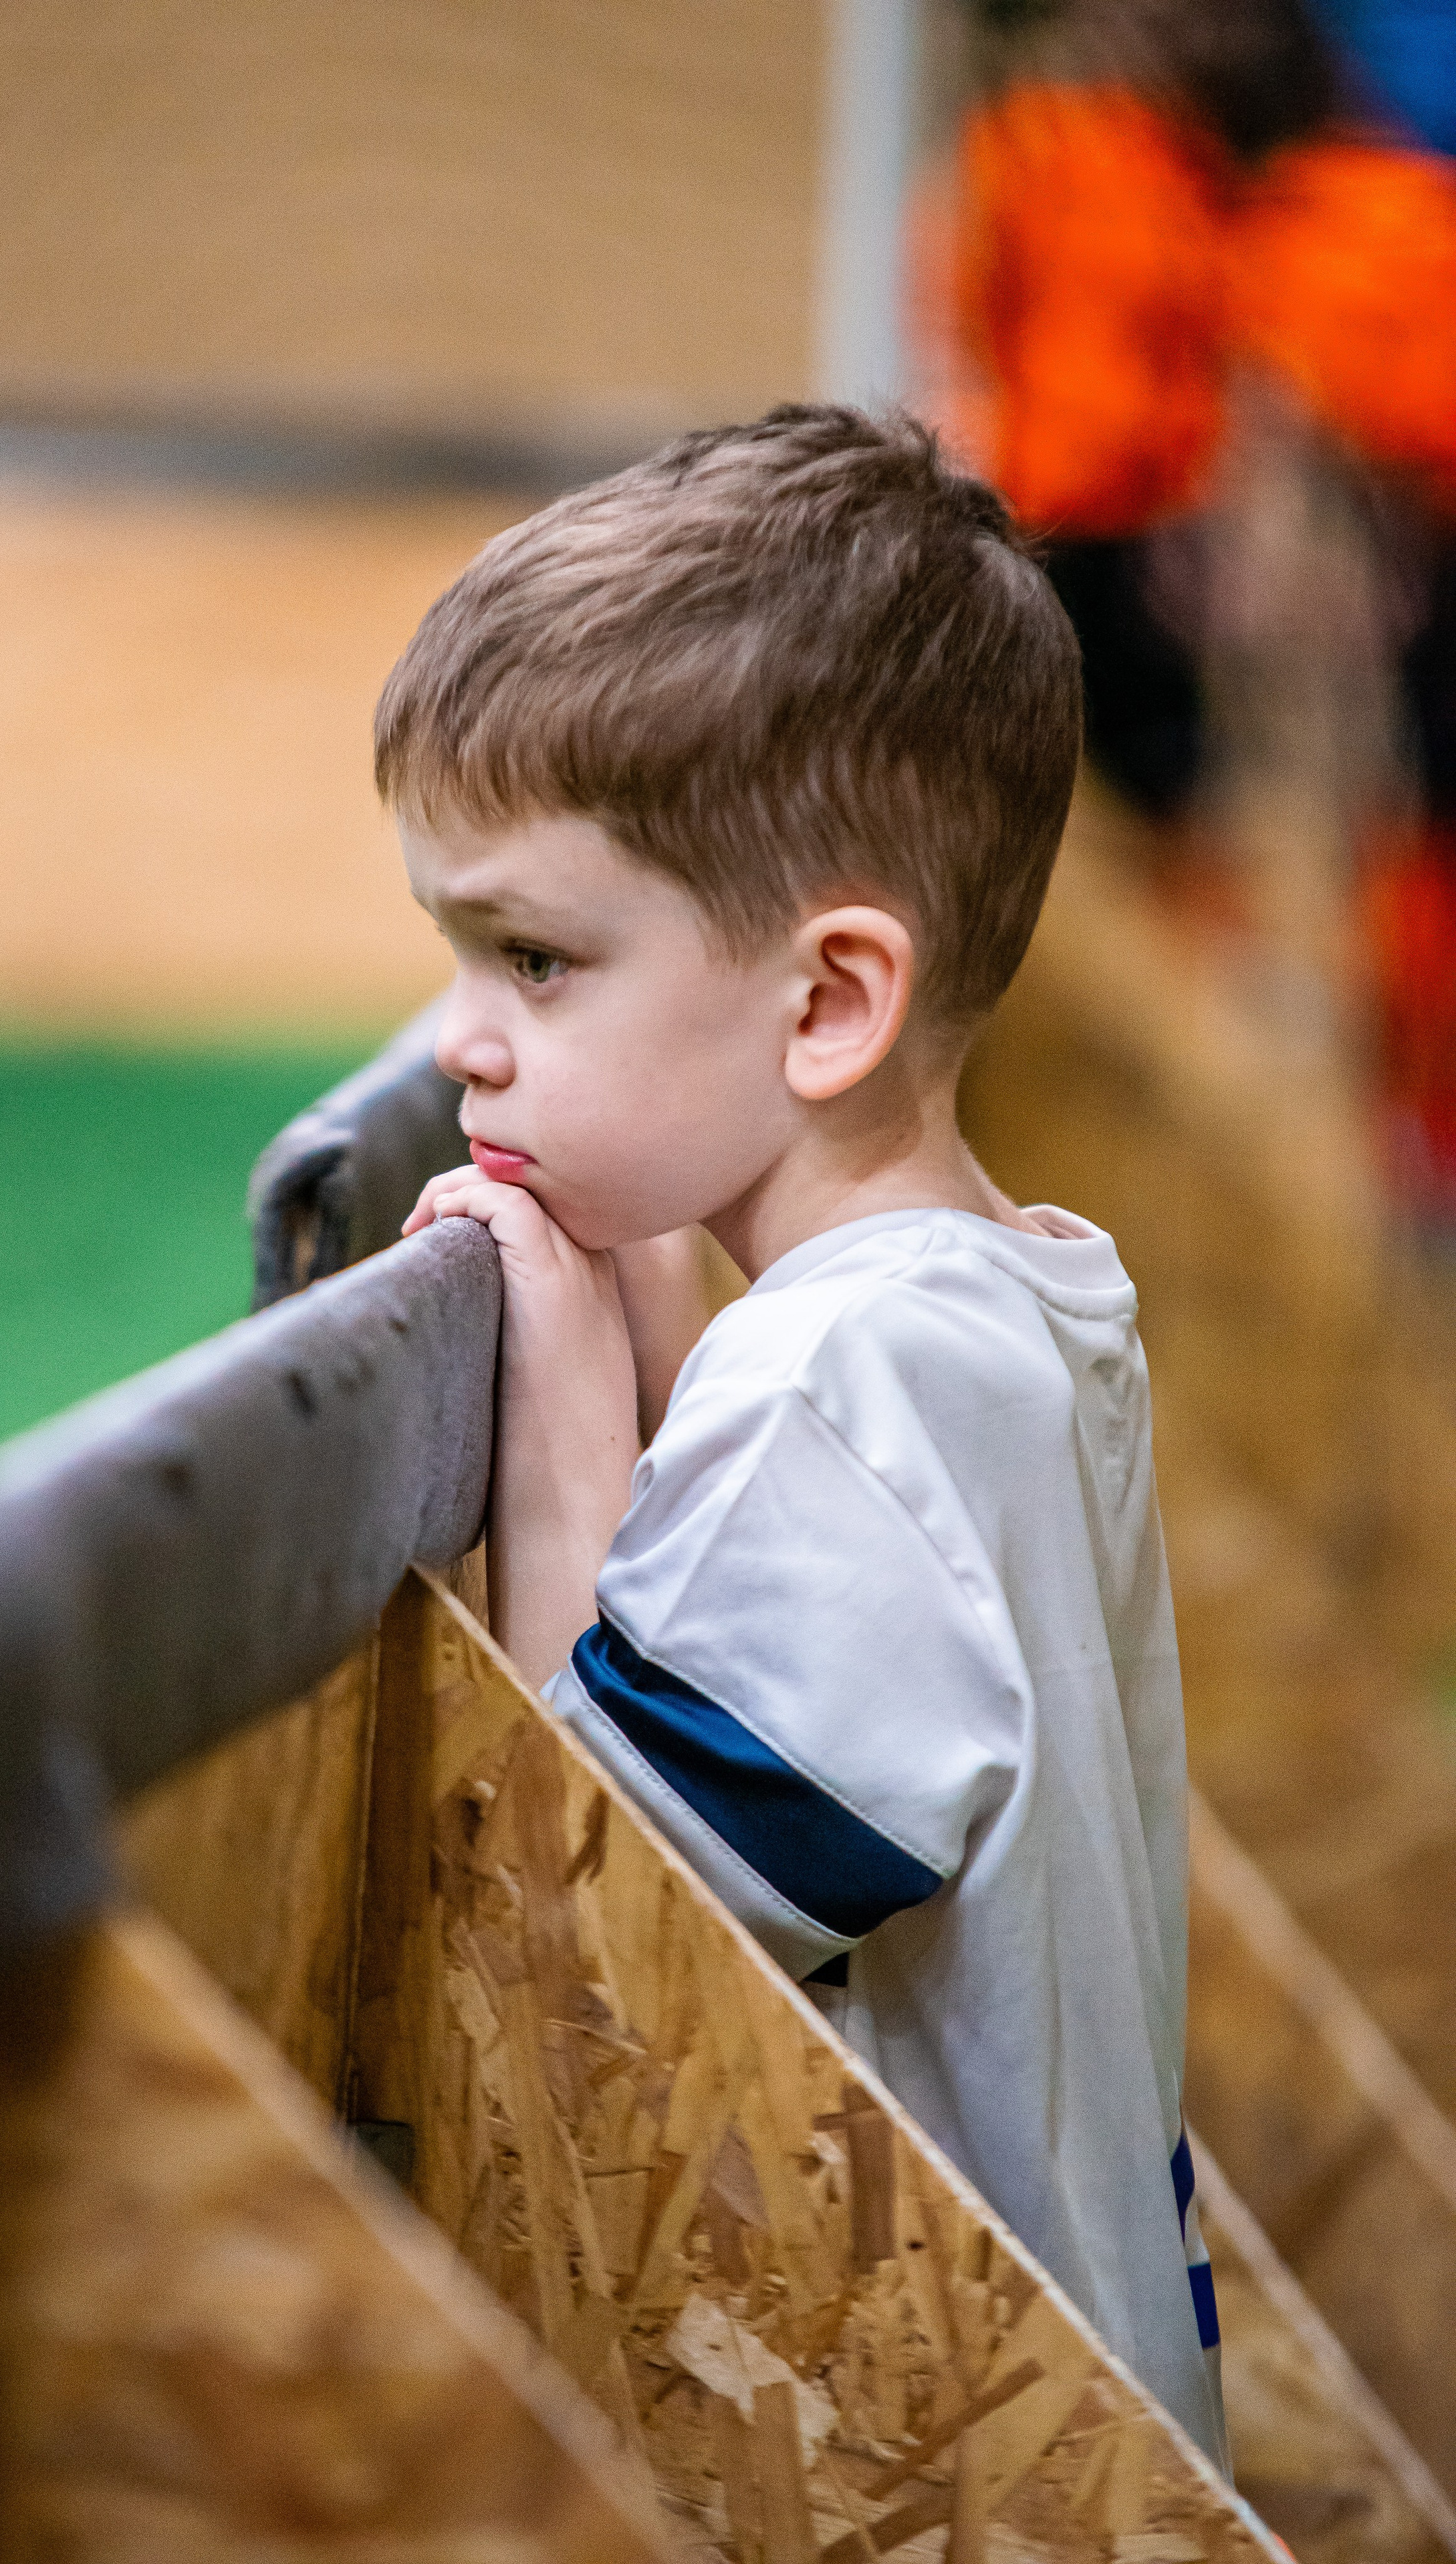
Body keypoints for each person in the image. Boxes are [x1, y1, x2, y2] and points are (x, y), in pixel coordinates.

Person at [378, 405, 1228, 2470]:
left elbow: (640, 1944)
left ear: (830, 1002)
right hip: (1067, 2447)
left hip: (959, 2480)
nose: (464, 1035)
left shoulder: (842, 1388)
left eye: (538, 957)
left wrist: (573, 1459)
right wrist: (669, 1320)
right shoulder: (999, 1304)